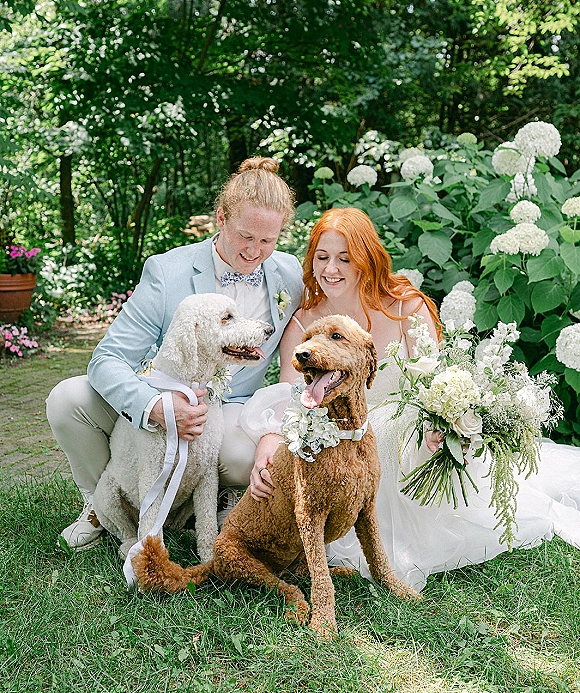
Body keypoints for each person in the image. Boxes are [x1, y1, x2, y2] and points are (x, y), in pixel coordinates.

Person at [240, 207, 580, 592]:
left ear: (367, 259)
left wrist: (442, 423)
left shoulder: (405, 308)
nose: (330, 269)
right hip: (340, 450)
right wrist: (270, 439)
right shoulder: (305, 323)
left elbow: (435, 383)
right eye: (321, 258)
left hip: (409, 436)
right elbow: (292, 398)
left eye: (344, 258)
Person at [46, 158, 303, 550]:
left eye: (267, 241)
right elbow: (107, 358)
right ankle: (102, 504)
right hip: (162, 386)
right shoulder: (167, 271)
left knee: (243, 456)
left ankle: (214, 500)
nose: (254, 252)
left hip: (228, 404)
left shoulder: (290, 275)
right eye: (245, 236)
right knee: (67, 400)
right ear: (221, 218)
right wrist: (154, 406)